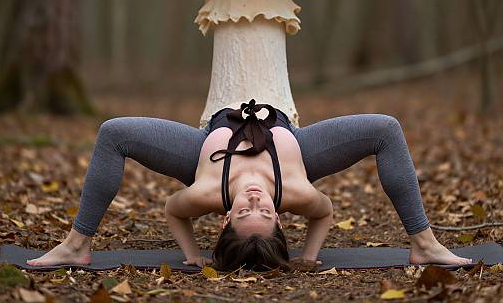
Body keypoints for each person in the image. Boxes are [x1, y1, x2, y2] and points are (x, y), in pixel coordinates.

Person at [26, 99, 473, 270]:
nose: (256, 201)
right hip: (297, 146)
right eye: (265, 212)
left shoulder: (204, 193)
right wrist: (308, 258)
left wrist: (192, 256)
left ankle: (75, 245)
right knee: (386, 127)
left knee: (113, 131)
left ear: (224, 218)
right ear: (280, 214)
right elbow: (325, 213)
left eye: (245, 213)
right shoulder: (297, 192)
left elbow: (172, 210)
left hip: (202, 149)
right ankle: (425, 243)